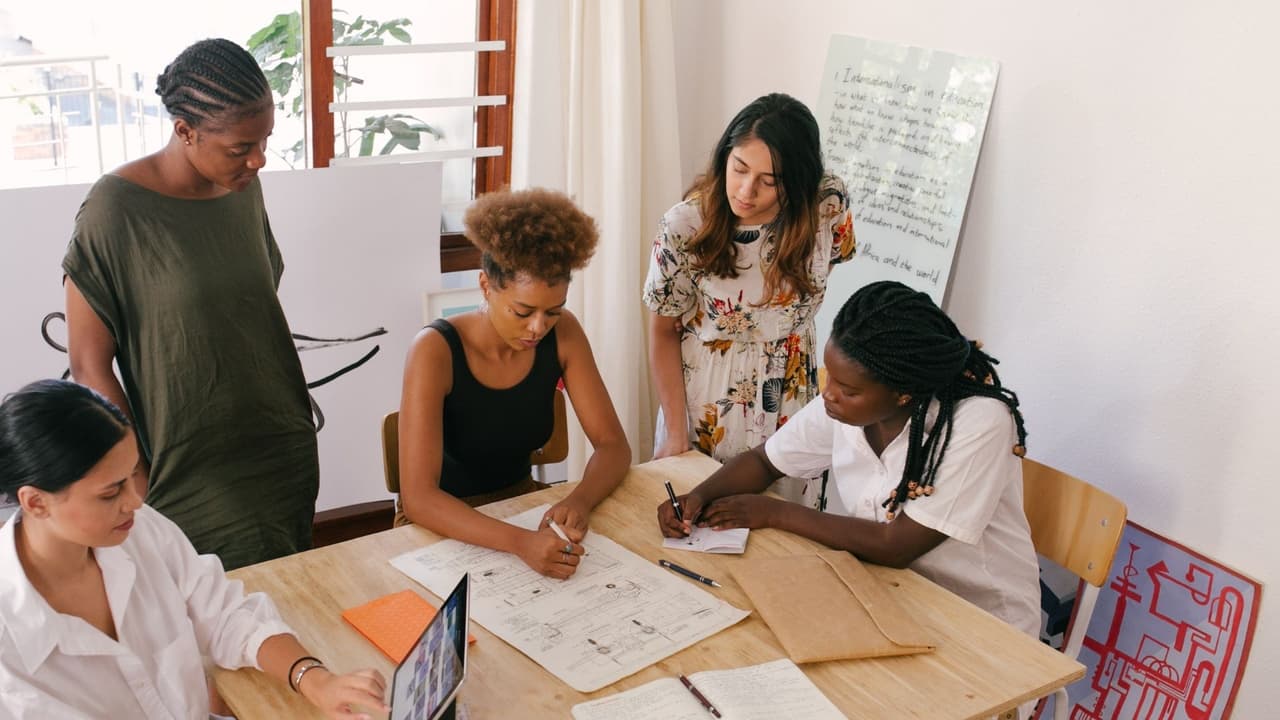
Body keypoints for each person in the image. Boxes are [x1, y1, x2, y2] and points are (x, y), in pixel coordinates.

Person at [657, 281, 1041, 644]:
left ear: (904, 393)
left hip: (982, 624)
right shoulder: (845, 408)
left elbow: (896, 545)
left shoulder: (979, 422)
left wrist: (774, 513)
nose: (829, 395)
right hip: (891, 594)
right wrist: (699, 497)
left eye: (848, 390)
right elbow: (764, 462)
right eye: (831, 379)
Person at [62, 38, 318, 569]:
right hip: (187, 464)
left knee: (288, 599)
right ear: (185, 131)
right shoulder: (115, 210)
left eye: (265, 140)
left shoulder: (242, 186)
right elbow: (88, 363)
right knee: (208, 618)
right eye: (240, 147)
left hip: (279, 444)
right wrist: (133, 472)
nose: (258, 159)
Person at [0, 379, 387, 720]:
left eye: (131, 476)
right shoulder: (9, 640)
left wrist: (314, 679)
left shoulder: (138, 530)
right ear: (35, 503)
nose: (135, 501)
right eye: (110, 492)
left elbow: (225, 615)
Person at [397, 188, 631, 579]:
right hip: (441, 524)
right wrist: (520, 543)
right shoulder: (434, 350)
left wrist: (580, 500)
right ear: (486, 286)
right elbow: (419, 499)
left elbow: (613, 445)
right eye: (523, 312)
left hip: (521, 506)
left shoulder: (564, 334)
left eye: (553, 312)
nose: (538, 327)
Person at [643, 92, 856, 484]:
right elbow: (661, 332)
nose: (745, 190)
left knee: (787, 535)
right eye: (738, 168)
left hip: (794, 396)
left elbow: (824, 269)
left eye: (768, 181)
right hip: (710, 402)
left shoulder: (828, 204)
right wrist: (676, 433)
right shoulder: (685, 226)